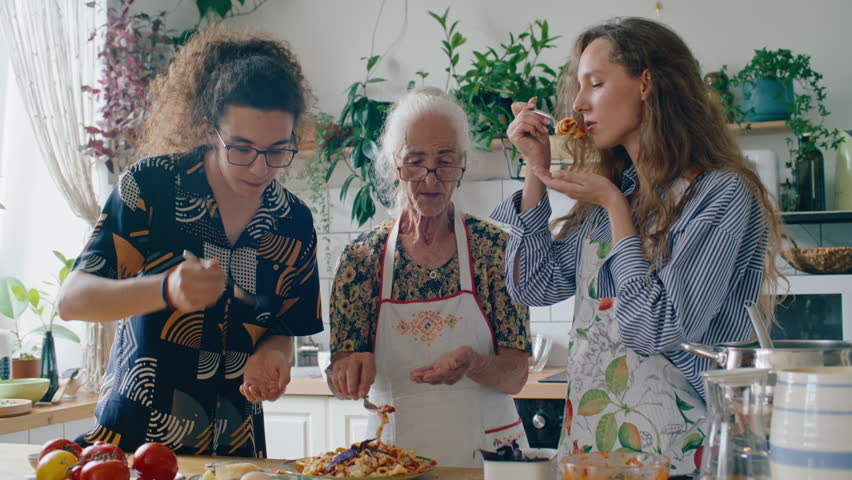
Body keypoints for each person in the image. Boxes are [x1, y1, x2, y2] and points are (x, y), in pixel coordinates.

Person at [491, 17, 784, 474]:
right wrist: (535, 169)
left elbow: (655, 329)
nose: (579, 102)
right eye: (578, 87)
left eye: (596, 83)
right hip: (589, 453)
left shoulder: (719, 196)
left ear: (646, 82)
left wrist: (612, 206)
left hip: (681, 455)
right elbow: (532, 287)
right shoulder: (617, 192)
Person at [57, 27, 322, 457]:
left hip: (236, 448)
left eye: (277, 150)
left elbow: (282, 328)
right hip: (134, 445)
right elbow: (72, 300)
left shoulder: (292, 222)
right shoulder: (151, 187)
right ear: (208, 129)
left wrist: (274, 356)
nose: (260, 168)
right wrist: (164, 288)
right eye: (241, 148)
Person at [328, 88, 532, 467]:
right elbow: (338, 373)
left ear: (463, 165)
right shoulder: (361, 259)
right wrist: (346, 374)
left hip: (489, 459)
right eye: (415, 162)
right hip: (391, 462)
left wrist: (473, 363)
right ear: (394, 166)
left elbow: (516, 375)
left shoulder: (496, 249)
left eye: (445, 162)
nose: (430, 178)